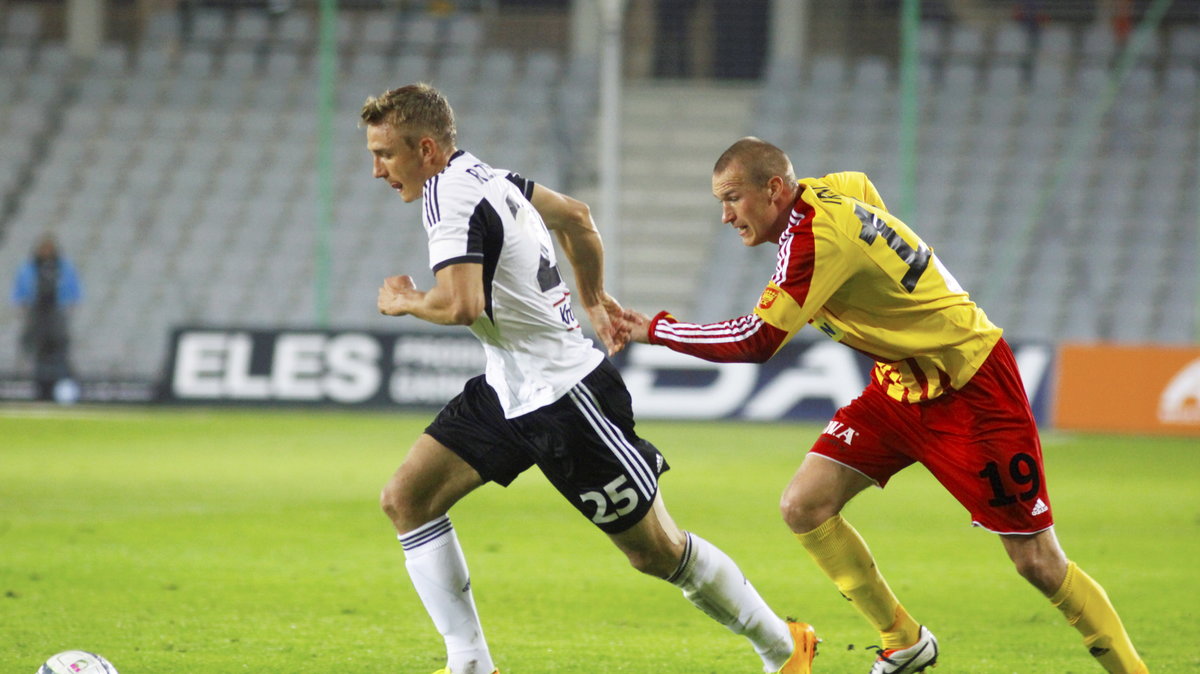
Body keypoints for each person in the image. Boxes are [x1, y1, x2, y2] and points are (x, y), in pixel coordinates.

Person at [620, 137, 1148, 674]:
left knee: (1036, 561)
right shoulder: (832, 193)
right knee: (804, 505)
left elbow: (757, 341)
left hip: (971, 387)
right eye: (720, 202)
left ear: (774, 189)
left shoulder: (813, 240)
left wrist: (653, 329)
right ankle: (904, 641)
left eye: (732, 198)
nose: (727, 215)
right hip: (899, 387)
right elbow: (864, 188)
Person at [360, 85, 817, 674]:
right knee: (407, 500)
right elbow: (576, 217)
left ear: (425, 149)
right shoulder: (491, 177)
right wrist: (594, 297)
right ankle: (469, 663)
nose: (377, 170)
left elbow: (460, 306)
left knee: (657, 553)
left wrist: (404, 301)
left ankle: (783, 646)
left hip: (566, 401)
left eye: (386, 155)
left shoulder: (447, 196)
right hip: (508, 388)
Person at [11, 233, 81, 402]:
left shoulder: (64, 268)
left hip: (56, 315)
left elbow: (73, 292)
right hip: (37, 315)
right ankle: (39, 389)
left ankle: (60, 387)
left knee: (58, 354)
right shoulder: (28, 268)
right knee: (37, 353)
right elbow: (20, 294)